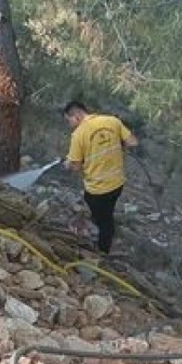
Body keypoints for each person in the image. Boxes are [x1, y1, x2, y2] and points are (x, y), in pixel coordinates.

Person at [62, 101, 138, 255]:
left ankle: (103, 251)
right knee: (107, 215)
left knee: (104, 220)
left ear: (77, 116)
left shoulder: (78, 135)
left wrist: (67, 165)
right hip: (117, 184)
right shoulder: (112, 121)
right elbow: (133, 142)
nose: (69, 124)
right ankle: (102, 235)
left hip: (97, 189)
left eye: (68, 120)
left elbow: (75, 167)